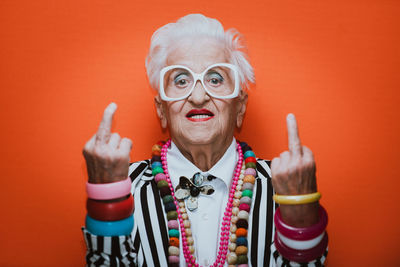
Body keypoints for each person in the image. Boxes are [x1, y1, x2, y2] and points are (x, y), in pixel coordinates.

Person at [82, 14, 328, 267]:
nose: (198, 96)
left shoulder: (286, 188)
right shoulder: (122, 187)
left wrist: (300, 209)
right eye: (181, 80)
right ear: (161, 111)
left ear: (240, 107)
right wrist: (107, 198)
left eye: (215, 79)